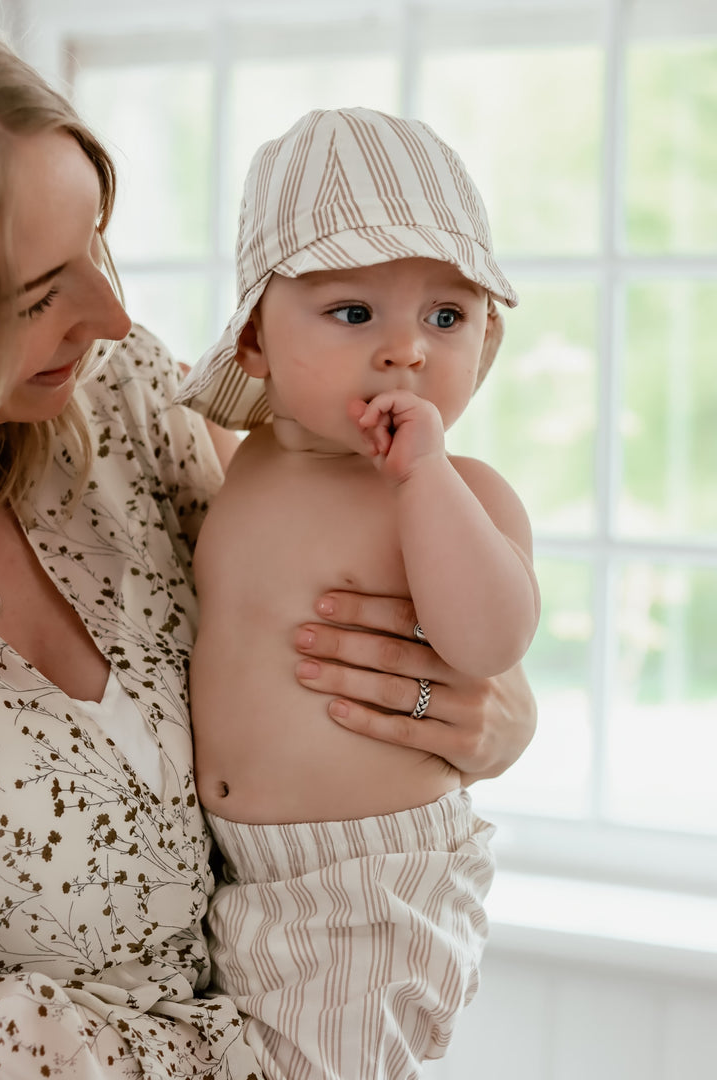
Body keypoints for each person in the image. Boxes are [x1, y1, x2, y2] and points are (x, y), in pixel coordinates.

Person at [0, 43, 536, 1080]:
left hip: (355, 893)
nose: (112, 319)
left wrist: (494, 707)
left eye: (98, 247)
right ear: (254, 339)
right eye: (36, 293)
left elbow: (465, 628)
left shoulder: (125, 397)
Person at [177, 108, 540, 1080]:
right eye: (353, 313)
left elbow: (488, 641)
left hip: (372, 882)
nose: (408, 350)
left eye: (446, 316)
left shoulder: (457, 495)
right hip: (245, 876)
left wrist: (426, 480)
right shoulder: (240, 461)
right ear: (254, 341)